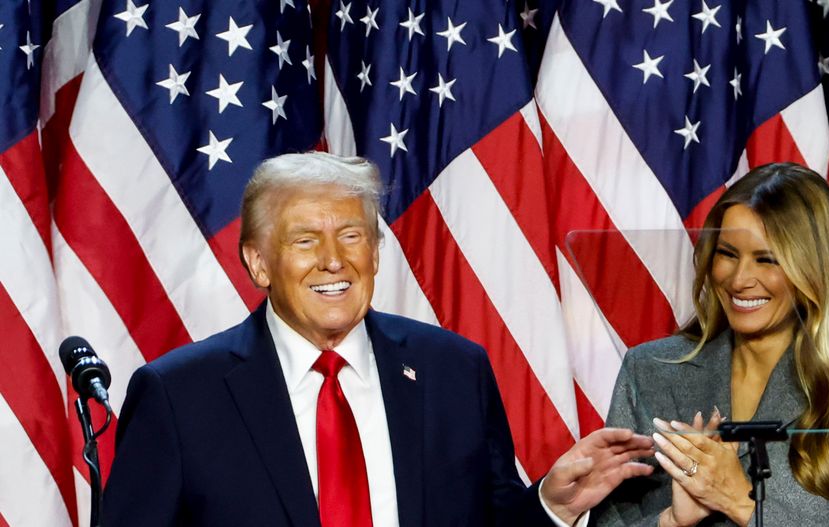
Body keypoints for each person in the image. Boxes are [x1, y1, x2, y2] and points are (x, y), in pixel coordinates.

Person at [102, 152, 656, 527]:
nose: (333, 260)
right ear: (258, 261)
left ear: (374, 251)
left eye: (352, 236)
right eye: (304, 240)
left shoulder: (452, 371)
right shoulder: (179, 395)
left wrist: (550, 506)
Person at [591, 163, 829, 526]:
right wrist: (671, 522)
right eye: (727, 254)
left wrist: (739, 502)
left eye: (766, 259)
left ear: (814, 269)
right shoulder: (650, 370)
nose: (740, 279)